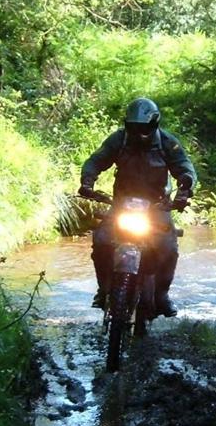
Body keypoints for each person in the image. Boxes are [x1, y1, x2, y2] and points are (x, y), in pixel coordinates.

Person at [77, 97, 196, 317]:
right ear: (127, 125)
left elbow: (184, 166)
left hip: (158, 206)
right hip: (122, 204)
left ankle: (161, 296)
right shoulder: (119, 140)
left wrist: (185, 188)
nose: (139, 132)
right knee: (101, 241)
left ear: (154, 123)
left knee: (168, 248)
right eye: (133, 127)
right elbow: (96, 160)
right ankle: (104, 289)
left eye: (143, 127)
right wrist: (87, 181)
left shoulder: (168, 143)